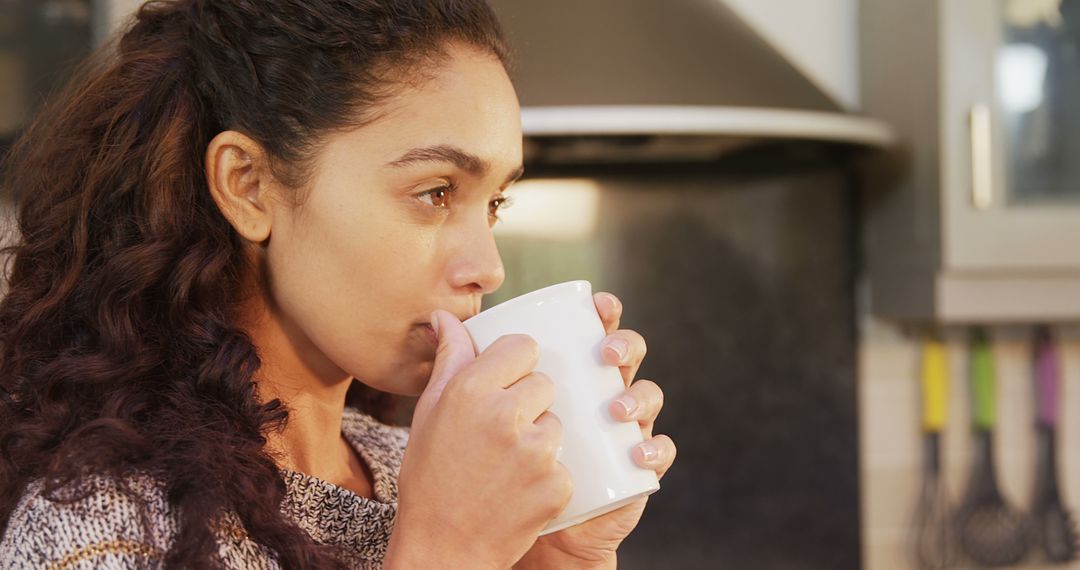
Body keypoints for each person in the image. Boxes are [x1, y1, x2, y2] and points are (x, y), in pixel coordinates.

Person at [0, 0, 677, 568]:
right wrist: (445, 548)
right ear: (249, 185)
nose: (488, 266)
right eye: (436, 191)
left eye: (494, 204)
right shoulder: (104, 528)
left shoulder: (416, 469)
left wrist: (552, 560)